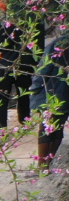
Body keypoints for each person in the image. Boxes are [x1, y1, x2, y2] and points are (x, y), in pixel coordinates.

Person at [35, 33, 69, 166]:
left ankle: (44, 164)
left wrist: (35, 89)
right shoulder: (59, 43)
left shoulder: (59, 43)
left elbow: (43, 68)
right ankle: (46, 163)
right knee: (55, 127)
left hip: (55, 91)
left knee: (49, 127)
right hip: (57, 90)